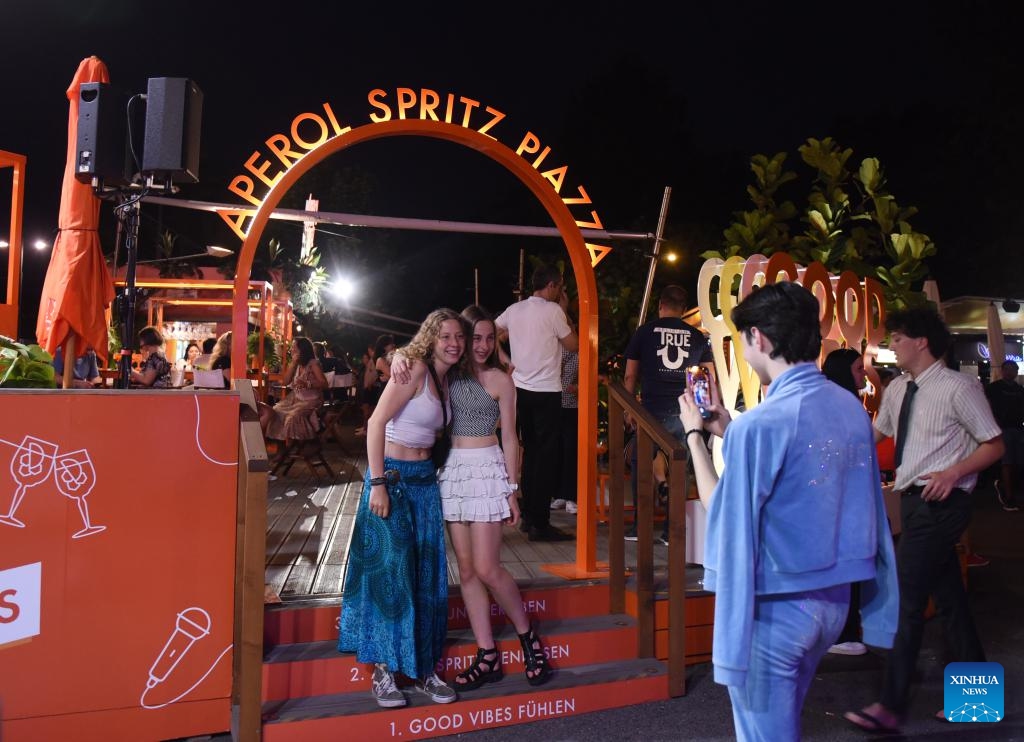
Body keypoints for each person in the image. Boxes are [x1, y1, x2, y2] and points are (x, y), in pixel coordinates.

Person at [680, 282, 898, 742]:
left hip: (777, 608)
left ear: (757, 338)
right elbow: (799, 469)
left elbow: (721, 508)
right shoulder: (849, 409)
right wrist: (727, 428)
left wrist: (695, 437)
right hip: (834, 604)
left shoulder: (762, 425)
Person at [846, 306, 1003, 733]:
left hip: (944, 503)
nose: (891, 346)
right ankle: (979, 702)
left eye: (897, 338)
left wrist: (954, 472)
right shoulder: (898, 389)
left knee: (908, 601)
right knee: (950, 600)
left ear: (922, 342)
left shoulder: (959, 387)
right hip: (913, 503)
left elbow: (995, 444)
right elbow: (872, 436)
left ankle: (891, 705)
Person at [338, 308, 465, 709]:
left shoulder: (447, 382)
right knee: (389, 579)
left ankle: (425, 669)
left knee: (426, 578)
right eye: (445, 335)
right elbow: (376, 423)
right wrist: (377, 483)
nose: (454, 343)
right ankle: (384, 673)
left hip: (425, 484)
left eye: (459, 337)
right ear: (431, 336)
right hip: (391, 479)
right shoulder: (412, 367)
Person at [436, 305, 554, 690]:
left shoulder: (502, 381)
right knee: (467, 571)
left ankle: (527, 636)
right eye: (477, 337)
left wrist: (513, 490)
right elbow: (412, 358)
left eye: (491, 338)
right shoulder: (446, 376)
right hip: (453, 470)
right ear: (463, 338)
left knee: (488, 568)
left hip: (487, 469)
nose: (484, 345)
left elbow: (510, 438)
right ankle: (487, 654)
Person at [623, 285, 714, 545]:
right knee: (680, 469)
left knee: (643, 467)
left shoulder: (645, 332)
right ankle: (672, 531)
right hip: (684, 412)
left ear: (660, 305)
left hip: (650, 412)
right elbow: (707, 377)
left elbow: (630, 375)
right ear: (684, 310)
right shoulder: (697, 336)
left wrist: (629, 408)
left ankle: (641, 528)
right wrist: (704, 410)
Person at [494, 263, 579, 541]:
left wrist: (506, 360)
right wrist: (564, 311)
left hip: (520, 391)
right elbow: (573, 345)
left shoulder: (515, 309)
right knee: (546, 458)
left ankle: (530, 517)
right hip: (547, 392)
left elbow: (492, 331)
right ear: (553, 285)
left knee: (530, 453)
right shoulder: (554, 311)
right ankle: (540, 523)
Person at [821, 347, 871, 657]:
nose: (863, 374)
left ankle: (841, 630)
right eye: (857, 369)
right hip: (842, 502)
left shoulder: (834, 404)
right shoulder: (845, 406)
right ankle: (844, 631)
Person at [259, 336, 328, 445]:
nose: (291, 350)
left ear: (302, 350)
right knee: (275, 411)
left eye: (294, 348)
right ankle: (282, 449)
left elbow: (324, 384)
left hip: (312, 400)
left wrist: (307, 384)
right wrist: (293, 364)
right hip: (295, 398)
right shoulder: (297, 364)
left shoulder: (313, 364)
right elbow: (285, 382)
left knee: (293, 417)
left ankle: (296, 447)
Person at [985, 359, 1023, 511]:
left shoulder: (1019, 389)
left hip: (1017, 428)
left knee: (1017, 462)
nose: (1010, 372)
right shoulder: (994, 388)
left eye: (1013, 369)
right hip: (1002, 428)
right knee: (1007, 462)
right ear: (1002, 371)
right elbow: (986, 405)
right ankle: (1008, 495)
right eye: (1007, 369)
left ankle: (1007, 487)